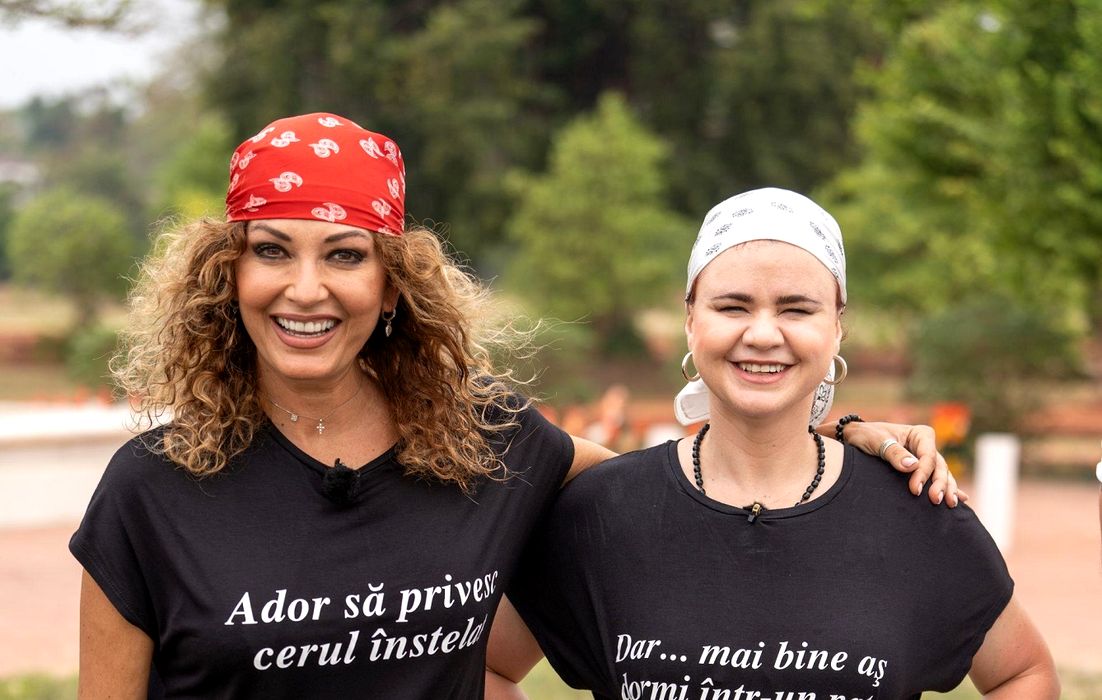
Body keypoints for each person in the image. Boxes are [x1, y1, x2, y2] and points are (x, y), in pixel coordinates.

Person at [70, 115, 961, 699]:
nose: (307, 289)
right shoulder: (150, 491)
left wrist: (839, 433)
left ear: (392, 285)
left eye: (344, 254)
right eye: (272, 251)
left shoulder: (484, 441)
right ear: (227, 277)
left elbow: (682, 488)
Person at [489, 188, 1059, 699]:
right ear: (690, 320)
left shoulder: (915, 511)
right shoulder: (602, 512)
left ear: (837, 326)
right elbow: (486, 669)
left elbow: (1023, 674)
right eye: (732, 306)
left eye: (797, 309)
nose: (762, 334)